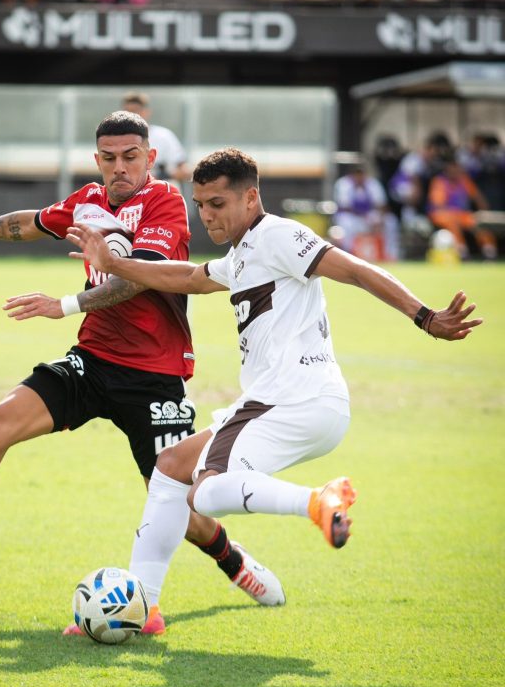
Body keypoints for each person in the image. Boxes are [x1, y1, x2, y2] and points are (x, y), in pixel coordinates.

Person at [0, 113, 284, 638]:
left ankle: (234, 563)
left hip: (153, 377)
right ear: (97, 160)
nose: (120, 167)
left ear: (150, 158)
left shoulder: (165, 203)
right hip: (92, 361)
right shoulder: (88, 199)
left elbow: (136, 279)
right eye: (109, 157)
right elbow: (31, 221)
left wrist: (64, 304)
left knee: (184, 504)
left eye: (131, 156)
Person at [64, 147, 482, 616]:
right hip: (296, 404)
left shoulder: (278, 236)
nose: (207, 215)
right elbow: (186, 275)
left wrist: (424, 316)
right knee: (170, 468)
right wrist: (115, 263)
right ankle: (147, 608)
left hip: (291, 400)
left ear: (250, 198)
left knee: (204, 491)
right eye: (200, 205)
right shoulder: (243, 254)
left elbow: (357, 271)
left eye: (217, 204)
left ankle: (317, 501)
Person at [427, 153, 497, 260]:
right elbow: (438, 205)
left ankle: (489, 251)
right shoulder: (440, 182)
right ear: (447, 168)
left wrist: (484, 212)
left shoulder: (464, 180)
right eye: (453, 167)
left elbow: (478, 197)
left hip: (462, 214)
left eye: (457, 167)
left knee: (480, 223)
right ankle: (462, 252)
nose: (456, 170)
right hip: (443, 214)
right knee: (452, 222)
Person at [332, 161, 400, 259]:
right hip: (351, 217)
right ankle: (348, 255)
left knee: (391, 221)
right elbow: (345, 206)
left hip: (369, 216)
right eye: (357, 174)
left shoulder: (372, 183)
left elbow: (382, 205)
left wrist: (379, 218)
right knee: (346, 223)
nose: (359, 176)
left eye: (361, 174)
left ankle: (390, 254)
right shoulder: (343, 184)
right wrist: (363, 215)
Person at [121, 91, 191, 186]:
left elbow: (184, 171)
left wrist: (162, 174)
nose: (131, 116)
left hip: (164, 194)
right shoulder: (119, 139)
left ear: (146, 112)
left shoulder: (164, 136)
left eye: (136, 111)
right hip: (135, 196)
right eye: (127, 112)